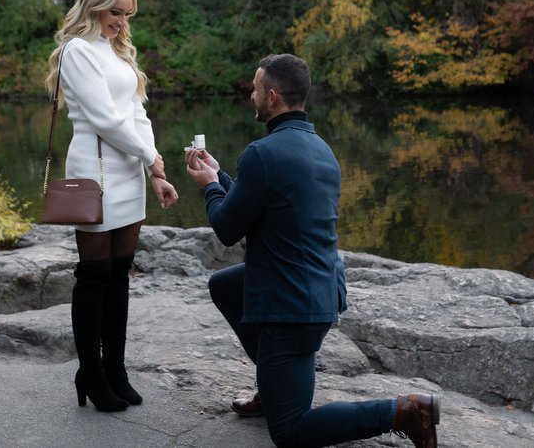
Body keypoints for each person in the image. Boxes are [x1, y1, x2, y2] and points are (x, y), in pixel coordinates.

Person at [184, 54, 439, 448]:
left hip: (292, 307)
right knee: (225, 286)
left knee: (289, 432)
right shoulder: (320, 149)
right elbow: (259, 203)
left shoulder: (262, 153)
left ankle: (404, 411)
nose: (250, 95)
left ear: (271, 97)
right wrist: (220, 177)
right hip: (320, 288)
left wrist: (209, 186)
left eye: (254, 89)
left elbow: (228, 228)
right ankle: (273, 386)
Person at [46, 0, 179, 413]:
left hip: (130, 169)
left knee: (119, 275)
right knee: (94, 277)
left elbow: (136, 113)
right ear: (94, 5)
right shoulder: (77, 51)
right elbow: (103, 118)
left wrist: (154, 167)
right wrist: (149, 156)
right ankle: (91, 372)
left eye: (127, 15)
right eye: (114, 13)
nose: (121, 22)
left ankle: (116, 369)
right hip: (95, 170)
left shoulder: (118, 53)